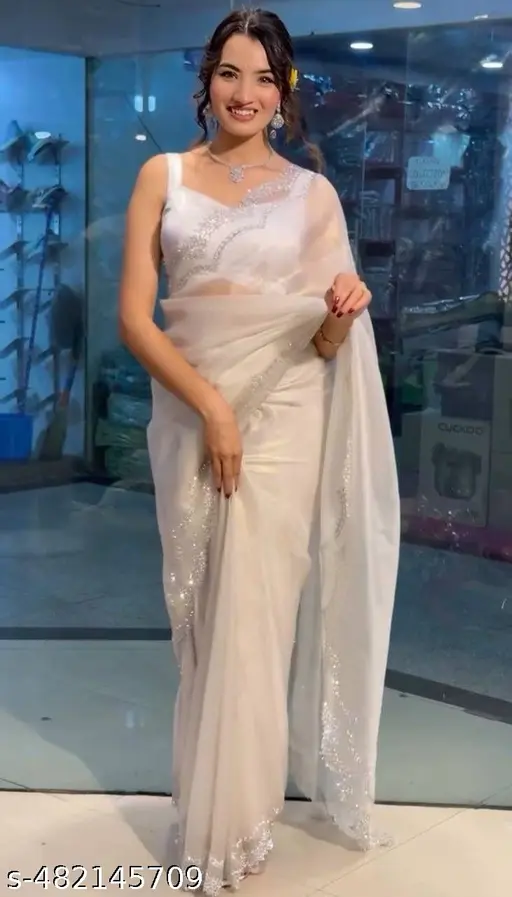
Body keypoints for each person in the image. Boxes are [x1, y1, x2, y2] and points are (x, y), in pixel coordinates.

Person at [118, 8, 400, 893]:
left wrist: (341, 312)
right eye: (231, 73)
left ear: (284, 95)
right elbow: (135, 318)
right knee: (206, 622)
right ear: (206, 81)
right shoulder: (162, 176)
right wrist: (211, 407)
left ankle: (234, 829)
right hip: (193, 414)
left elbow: (320, 343)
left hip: (286, 419)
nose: (246, 93)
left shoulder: (312, 195)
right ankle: (208, 811)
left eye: (265, 79)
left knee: (257, 617)